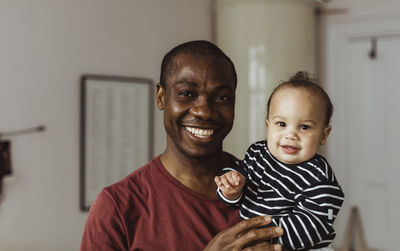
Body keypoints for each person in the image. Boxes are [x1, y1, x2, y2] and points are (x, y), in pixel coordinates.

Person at [80, 40, 284, 251]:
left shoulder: (271, 190)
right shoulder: (118, 207)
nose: (204, 112)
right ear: (161, 97)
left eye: (222, 98)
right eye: (187, 94)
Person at [214, 72, 345, 250]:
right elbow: (238, 187)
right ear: (268, 126)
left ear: (323, 135)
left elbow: (315, 225)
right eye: (281, 124)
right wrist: (232, 189)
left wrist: (265, 236)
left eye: (304, 127)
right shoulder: (257, 154)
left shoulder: (318, 176)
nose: (290, 135)